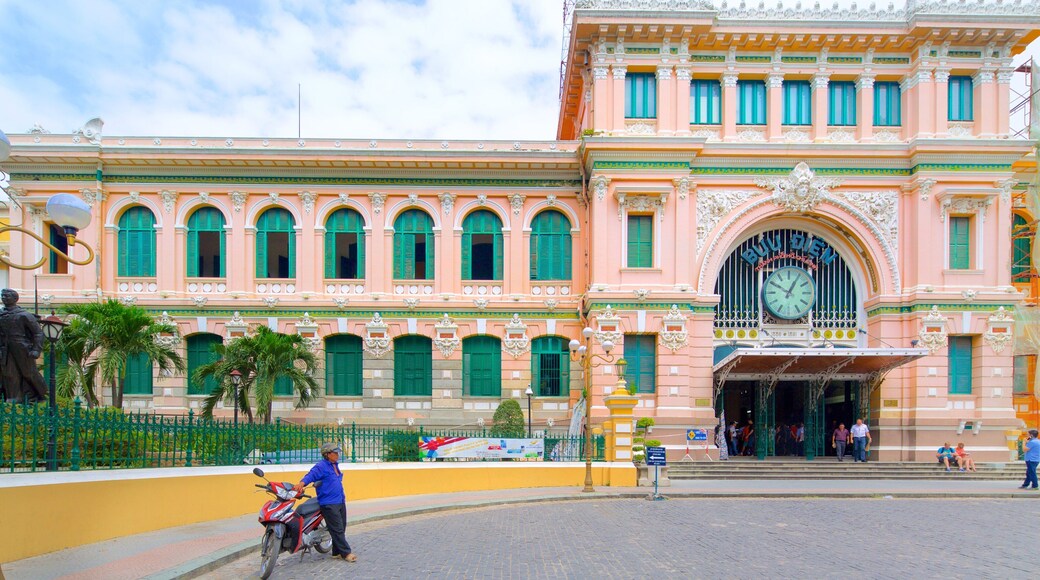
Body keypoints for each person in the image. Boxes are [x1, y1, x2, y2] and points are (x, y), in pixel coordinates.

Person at [294, 443, 356, 562]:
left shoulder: (335, 465)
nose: (337, 455)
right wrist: (301, 484)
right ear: (327, 454)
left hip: (339, 500)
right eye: (335, 452)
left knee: (342, 527)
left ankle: (336, 552)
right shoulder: (321, 466)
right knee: (337, 528)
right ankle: (346, 553)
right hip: (329, 503)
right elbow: (310, 475)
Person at [0, 289, 48, 403]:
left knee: (29, 373)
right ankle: (14, 398)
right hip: (5, 347)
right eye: (2, 296)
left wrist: (36, 350)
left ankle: (43, 393)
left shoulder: (24, 315)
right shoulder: (1, 315)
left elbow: (38, 333)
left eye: (7, 296)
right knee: (9, 373)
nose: (4, 298)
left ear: (15, 299)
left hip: (21, 347)